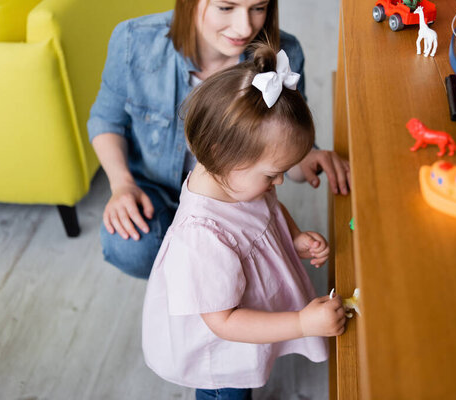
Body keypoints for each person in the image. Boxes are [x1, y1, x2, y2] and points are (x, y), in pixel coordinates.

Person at [87, 0, 351, 279]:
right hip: (156, 190)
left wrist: (306, 155)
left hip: (233, 198)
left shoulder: (284, 53)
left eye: (258, 8)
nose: (244, 27)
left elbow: (283, 150)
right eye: (226, 8)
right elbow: (106, 120)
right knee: (130, 246)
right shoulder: (134, 39)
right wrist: (122, 184)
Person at [142, 44, 346, 400]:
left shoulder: (239, 182)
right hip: (220, 351)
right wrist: (300, 323)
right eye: (274, 174)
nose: (279, 183)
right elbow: (224, 322)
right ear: (224, 154)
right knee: (230, 392)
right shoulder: (202, 239)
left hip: (241, 321)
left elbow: (268, 208)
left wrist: (293, 237)